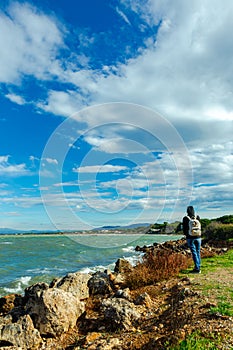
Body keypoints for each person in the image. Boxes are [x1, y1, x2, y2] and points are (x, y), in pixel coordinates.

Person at [183, 206, 201, 273]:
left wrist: (186, 235)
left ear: (187, 211)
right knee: (198, 252)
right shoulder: (197, 217)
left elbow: (184, 229)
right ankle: (198, 266)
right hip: (198, 237)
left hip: (190, 237)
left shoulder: (185, 218)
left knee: (194, 252)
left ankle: (197, 269)